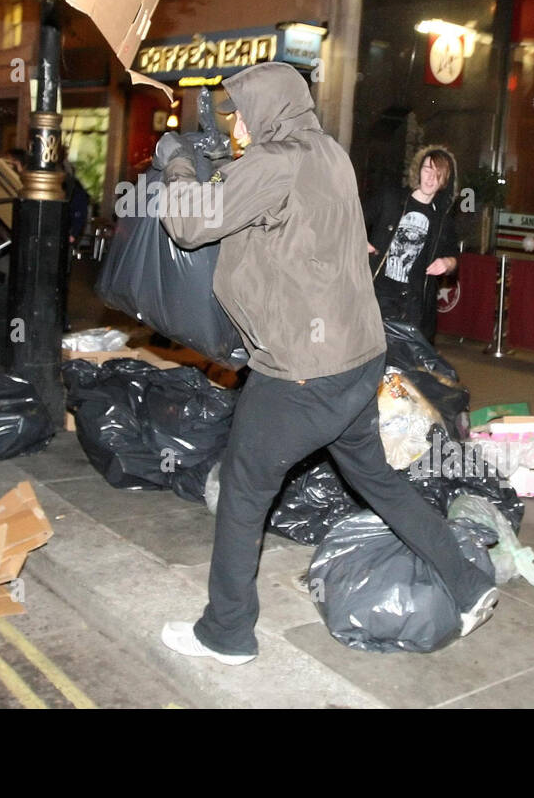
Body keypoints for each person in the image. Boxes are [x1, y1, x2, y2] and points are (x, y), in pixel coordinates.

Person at [153, 62, 497, 665]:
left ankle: (227, 632)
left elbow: (189, 225)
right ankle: (469, 585)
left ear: (264, 109)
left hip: (301, 370)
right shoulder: (327, 152)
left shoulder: (273, 160)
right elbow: (279, 211)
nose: (235, 128)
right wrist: (224, 163)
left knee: (242, 491)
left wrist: (177, 163)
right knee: (378, 479)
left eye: (239, 113)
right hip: (358, 357)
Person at [363, 146, 459, 343]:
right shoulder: (391, 199)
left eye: (438, 174)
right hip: (379, 292)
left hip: (413, 302)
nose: (431, 178)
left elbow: (454, 257)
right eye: (427, 169)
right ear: (418, 171)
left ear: (444, 181)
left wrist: (448, 263)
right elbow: (353, 216)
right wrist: (358, 241)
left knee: (406, 365)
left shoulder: (442, 219)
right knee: (373, 354)